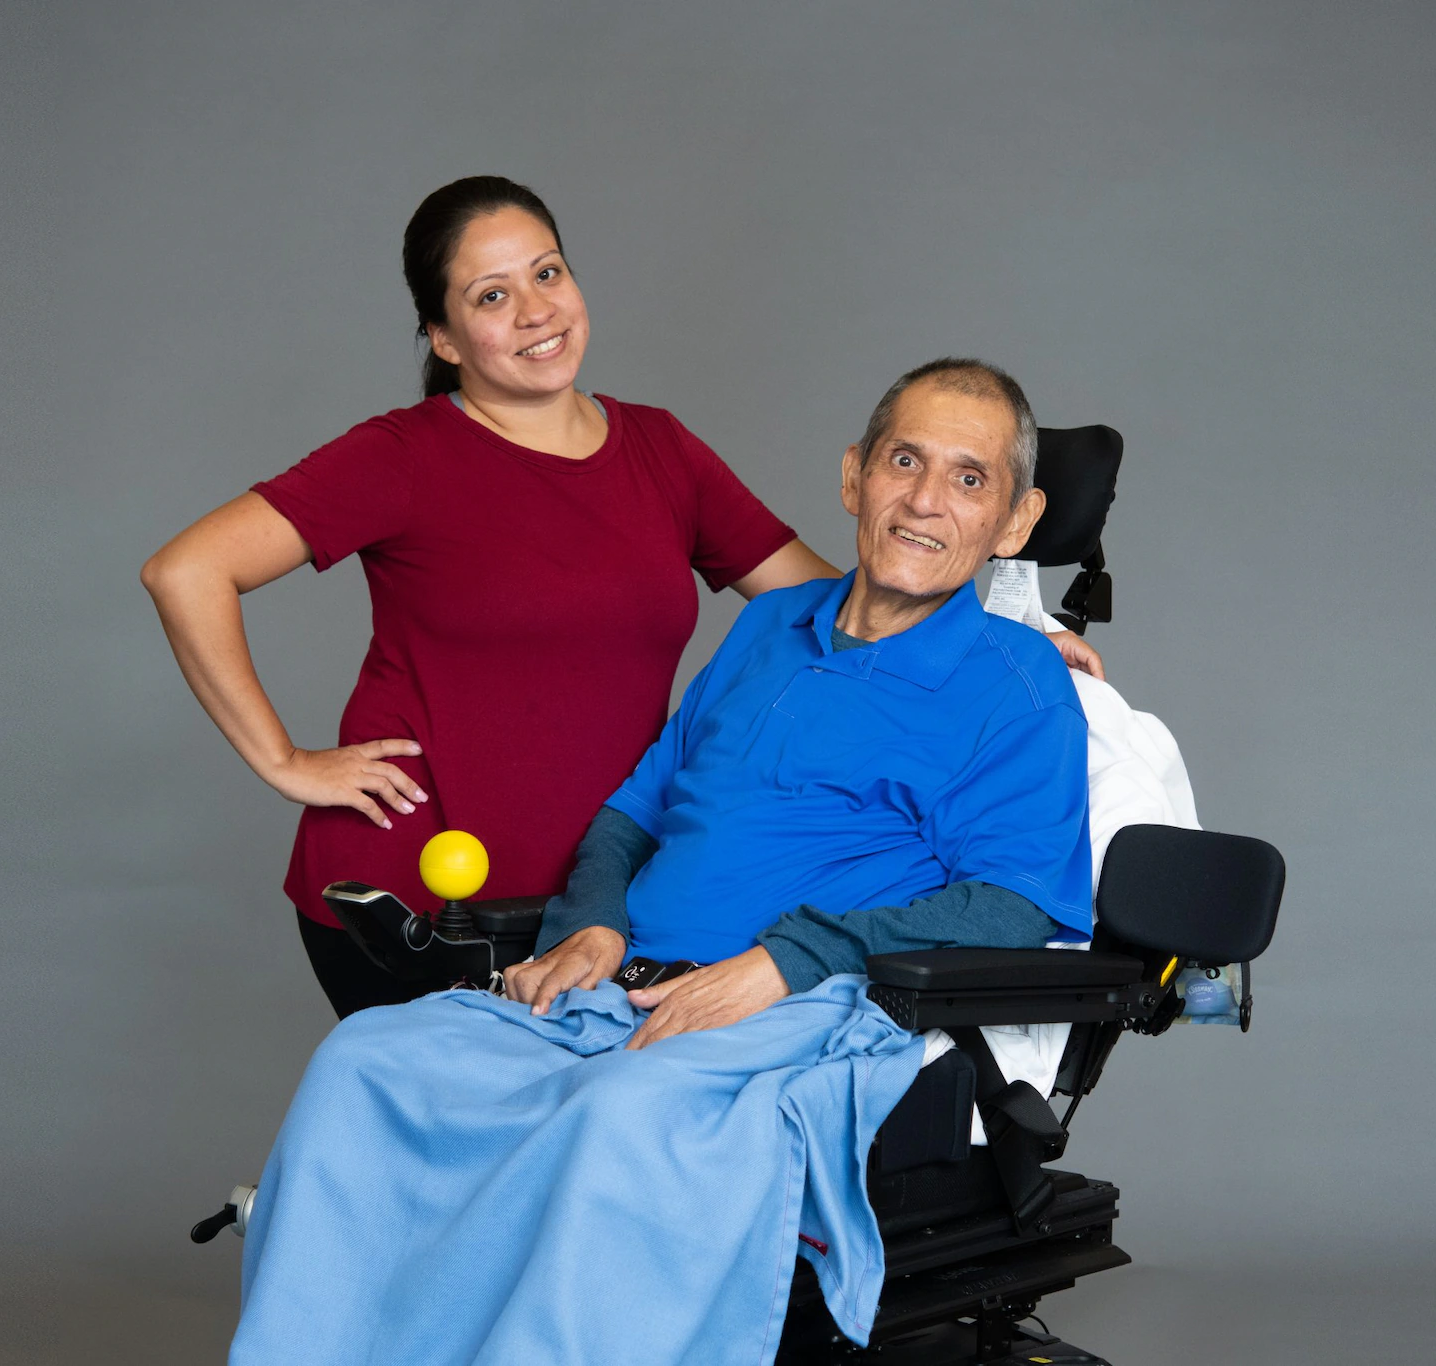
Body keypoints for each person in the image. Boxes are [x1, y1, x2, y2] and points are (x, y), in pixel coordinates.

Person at [231, 360, 1096, 1364]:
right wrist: (591, 917)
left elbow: (1013, 901)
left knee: (617, 1118)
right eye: (904, 461)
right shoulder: (771, 624)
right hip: (619, 982)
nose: (923, 501)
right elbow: (634, 808)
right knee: (365, 1065)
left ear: (1014, 521)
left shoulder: (1016, 683)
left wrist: (788, 959)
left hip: (793, 1008)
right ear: (853, 476)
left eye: (967, 479)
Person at [139, 177, 1104, 1019]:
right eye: (490, 294)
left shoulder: (660, 453)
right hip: (428, 902)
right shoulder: (403, 457)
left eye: (547, 273)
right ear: (443, 335)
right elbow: (187, 570)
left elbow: (844, 601)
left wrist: (1009, 636)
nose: (534, 311)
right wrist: (284, 759)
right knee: (460, 1163)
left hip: (599, 909)